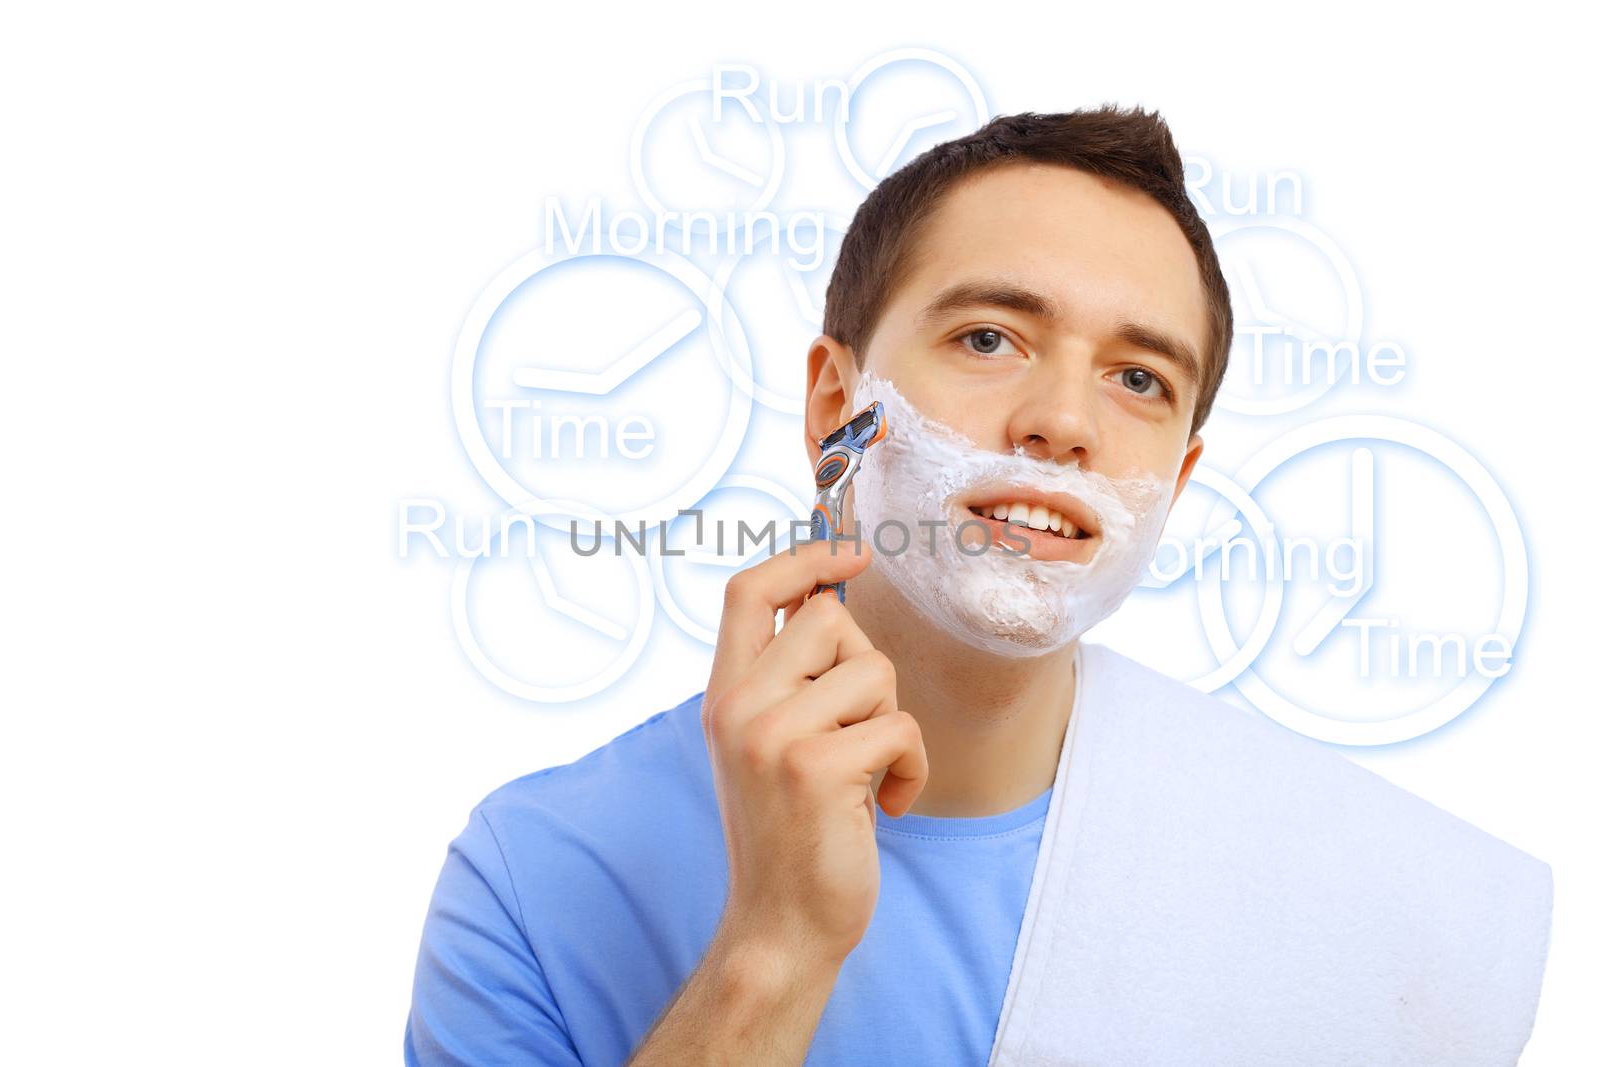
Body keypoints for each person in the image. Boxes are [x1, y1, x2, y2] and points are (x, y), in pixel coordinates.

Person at [404, 106, 1551, 1066]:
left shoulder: (1388, 907)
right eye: (991, 339)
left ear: (1179, 476)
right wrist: (777, 947)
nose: (1062, 422)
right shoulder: (534, 879)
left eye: (1139, 378)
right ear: (832, 406)